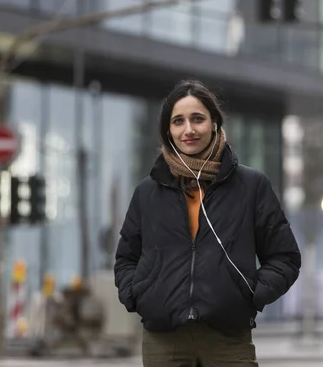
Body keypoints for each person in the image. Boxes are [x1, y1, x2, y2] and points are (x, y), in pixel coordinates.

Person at [114, 79, 301, 366]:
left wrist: (251, 295)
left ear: (214, 123)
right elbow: (126, 258)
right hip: (164, 339)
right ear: (168, 130)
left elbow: (285, 258)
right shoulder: (147, 192)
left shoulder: (251, 186)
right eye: (178, 121)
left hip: (228, 337)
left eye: (197, 119)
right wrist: (137, 295)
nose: (188, 129)